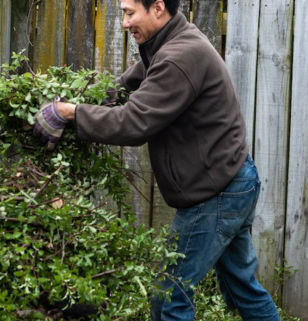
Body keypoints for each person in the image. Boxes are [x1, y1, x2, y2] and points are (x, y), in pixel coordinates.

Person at [32, 0, 281, 320]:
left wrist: (70, 113)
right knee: (242, 287)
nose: (124, 22)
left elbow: (134, 123)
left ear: (158, 8)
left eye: (129, 12)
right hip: (233, 181)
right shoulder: (170, 44)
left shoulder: (179, 57)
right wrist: (72, 102)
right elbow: (120, 90)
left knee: (169, 295)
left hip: (217, 193)